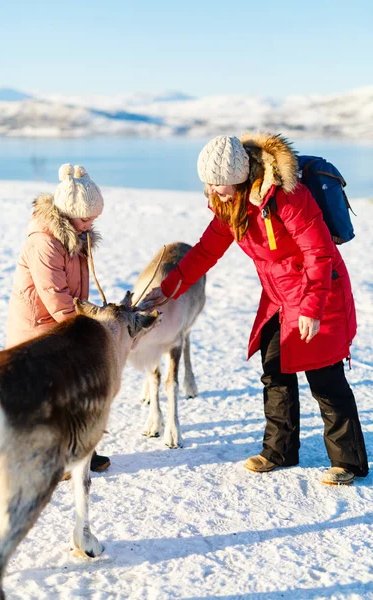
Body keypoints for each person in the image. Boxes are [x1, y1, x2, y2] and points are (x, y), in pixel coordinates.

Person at [141, 134, 368, 485]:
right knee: (274, 369)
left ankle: (348, 463)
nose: (213, 191)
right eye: (208, 184)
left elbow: (319, 253)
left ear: (239, 175)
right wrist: (169, 289)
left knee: (325, 378)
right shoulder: (232, 206)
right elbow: (205, 251)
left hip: (318, 291)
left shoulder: (288, 197)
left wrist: (311, 307)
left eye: (218, 183)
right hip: (278, 296)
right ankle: (279, 451)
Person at [6, 163, 110, 474]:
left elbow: (75, 288)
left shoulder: (77, 236)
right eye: (85, 218)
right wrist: (80, 326)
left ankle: (79, 450)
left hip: (62, 324)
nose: (90, 223)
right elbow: (54, 293)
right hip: (39, 328)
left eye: (94, 218)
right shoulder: (44, 242)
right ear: (67, 213)